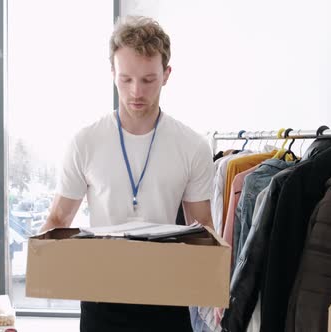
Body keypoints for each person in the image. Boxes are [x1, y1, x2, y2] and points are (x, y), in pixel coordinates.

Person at [41, 15, 215, 332]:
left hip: (167, 296)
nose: (136, 91)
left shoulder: (192, 146)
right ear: (112, 74)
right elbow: (58, 219)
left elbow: (201, 226)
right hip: (101, 298)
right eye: (126, 79)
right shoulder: (85, 141)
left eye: (148, 80)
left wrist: (213, 287)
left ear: (166, 75)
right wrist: (43, 269)